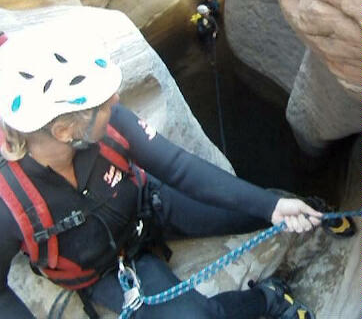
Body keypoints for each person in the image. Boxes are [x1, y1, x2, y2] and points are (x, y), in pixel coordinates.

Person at [0, 27, 322, 319]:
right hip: (106, 270)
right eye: (102, 103)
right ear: (63, 130)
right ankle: (269, 299)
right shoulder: (9, 203)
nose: (116, 100)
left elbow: (178, 167)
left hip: (149, 206)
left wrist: (271, 207)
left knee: (257, 212)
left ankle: (306, 210)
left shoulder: (112, 123)